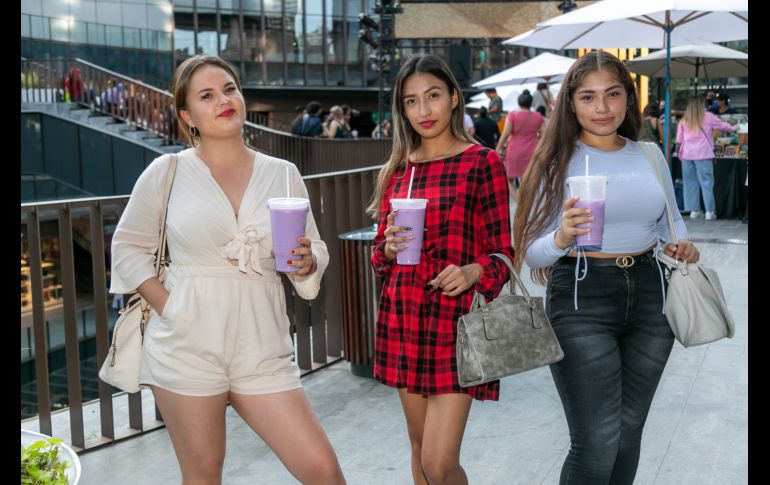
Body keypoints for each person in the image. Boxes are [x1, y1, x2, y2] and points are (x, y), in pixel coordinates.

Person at [109, 54, 345, 484]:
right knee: (203, 476)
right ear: (187, 115)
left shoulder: (283, 174)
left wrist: (308, 261)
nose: (223, 100)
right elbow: (127, 246)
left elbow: (310, 253)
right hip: (186, 343)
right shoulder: (168, 171)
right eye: (207, 95)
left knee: (323, 471)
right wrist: (171, 307)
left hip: (263, 344)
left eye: (229, 89)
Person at [513, 50, 701, 484]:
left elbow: (672, 223)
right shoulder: (556, 161)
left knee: (628, 434)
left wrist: (683, 245)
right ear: (571, 103)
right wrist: (562, 236)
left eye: (612, 94)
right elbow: (533, 256)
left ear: (627, 98)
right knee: (596, 442)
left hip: (652, 296)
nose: (602, 107)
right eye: (588, 97)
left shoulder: (649, 154)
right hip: (582, 296)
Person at [367, 54, 513, 485]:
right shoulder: (397, 171)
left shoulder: (482, 162)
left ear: (453, 97)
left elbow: (503, 253)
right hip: (403, 317)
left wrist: (473, 272)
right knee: (418, 447)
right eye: (411, 101)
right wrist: (387, 248)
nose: (423, 110)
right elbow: (379, 258)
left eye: (433, 96)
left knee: (439, 461)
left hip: (457, 323)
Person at [677, 95, 737, 221]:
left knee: (690, 183)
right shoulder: (708, 116)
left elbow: (679, 139)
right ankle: (709, 212)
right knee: (707, 183)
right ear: (702, 105)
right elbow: (723, 126)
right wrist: (734, 128)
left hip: (687, 155)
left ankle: (694, 211)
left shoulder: (684, 119)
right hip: (703, 154)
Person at [495, 89, 545, 201]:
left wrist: (497, 149)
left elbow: (505, 134)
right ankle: (525, 202)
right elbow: (545, 135)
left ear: (519, 103)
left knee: (507, 179)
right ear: (531, 103)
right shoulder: (538, 116)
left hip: (514, 151)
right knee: (526, 179)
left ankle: (519, 201)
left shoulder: (512, 116)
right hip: (532, 151)